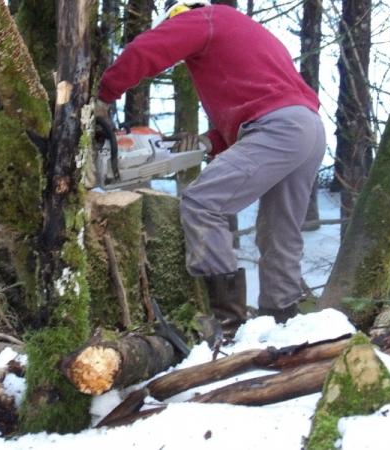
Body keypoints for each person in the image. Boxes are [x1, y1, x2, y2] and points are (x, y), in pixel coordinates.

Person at [96, 0, 326, 329]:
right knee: (279, 232)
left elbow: (148, 49)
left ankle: (226, 322)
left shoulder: (204, 18)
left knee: (202, 202)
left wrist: (104, 93)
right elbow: (264, 97)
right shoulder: (246, 30)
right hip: (307, 128)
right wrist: (209, 142)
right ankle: (281, 320)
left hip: (278, 128)